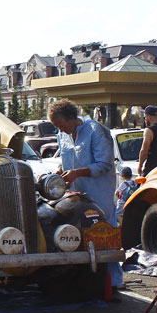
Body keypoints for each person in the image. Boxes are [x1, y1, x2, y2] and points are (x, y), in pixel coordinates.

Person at [49, 99, 124, 292]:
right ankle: (84, 278)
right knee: (77, 234)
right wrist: (59, 173)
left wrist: (78, 172)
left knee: (104, 233)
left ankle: (112, 282)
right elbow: (66, 162)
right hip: (75, 194)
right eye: (57, 126)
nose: (61, 129)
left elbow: (105, 164)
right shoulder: (62, 134)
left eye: (62, 124)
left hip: (98, 193)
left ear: (73, 118)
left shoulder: (95, 130)